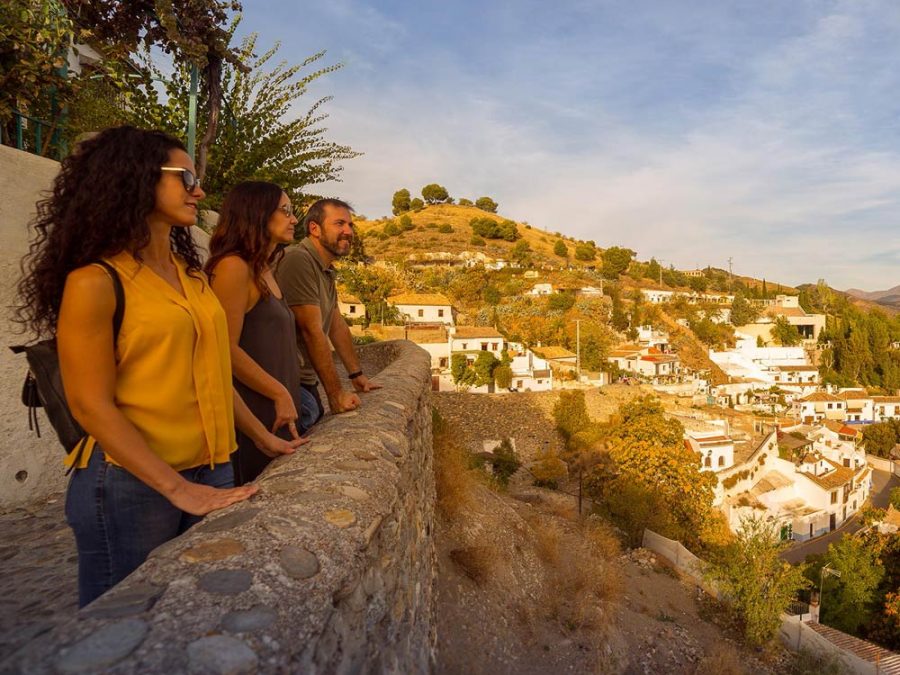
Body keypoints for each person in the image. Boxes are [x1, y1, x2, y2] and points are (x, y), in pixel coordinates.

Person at [14, 126, 304, 607]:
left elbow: (210, 375)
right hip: (131, 483)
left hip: (212, 470)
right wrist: (178, 489)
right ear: (136, 180)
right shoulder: (95, 281)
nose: (200, 190)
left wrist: (261, 436)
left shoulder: (191, 275)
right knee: (122, 627)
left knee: (189, 611)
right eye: (185, 176)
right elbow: (90, 405)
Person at [206, 181, 315, 485]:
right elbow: (224, 348)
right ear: (256, 213)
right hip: (253, 412)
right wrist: (277, 391)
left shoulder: (264, 268)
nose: (294, 219)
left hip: (276, 411)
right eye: (285, 211)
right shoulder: (233, 267)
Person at [275, 198, 381, 420]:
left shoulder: (324, 269)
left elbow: (336, 324)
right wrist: (335, 396)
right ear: (315, 228)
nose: (348, 231)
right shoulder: (299, 260)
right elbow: (311, 331)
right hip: (290, 385)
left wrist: (356, 374)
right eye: (339, 224)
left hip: (305, 384)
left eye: (350, 225)